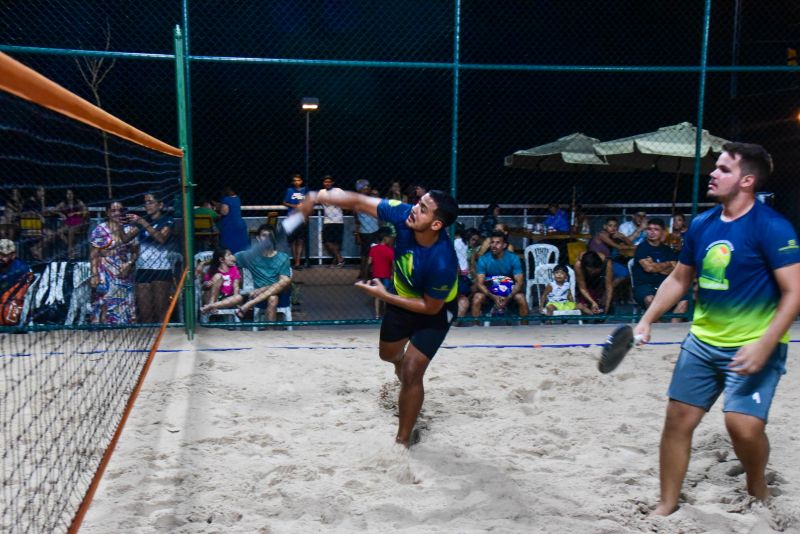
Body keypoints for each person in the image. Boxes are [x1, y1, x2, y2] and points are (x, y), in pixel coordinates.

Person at [633, 142, 800, 516]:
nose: (713, 173)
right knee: (678, 420)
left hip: (756, 343)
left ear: (747, 180)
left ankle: (756, 480)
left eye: (724, 169)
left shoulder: (772, 227)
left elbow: (795, 293)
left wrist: (764, 345)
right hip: (703, 342)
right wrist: (647, 320)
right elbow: (679, 278)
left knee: (741, 427)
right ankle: (667, 503)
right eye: (716, 167)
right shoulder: (703, 224)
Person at [298, 187, 459, 447]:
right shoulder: (404, 215)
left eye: (423, 209)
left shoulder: (442, 261)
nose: (415, 209)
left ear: (437, 224)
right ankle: (405, 376)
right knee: (388, 355)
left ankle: (403, 440)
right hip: (401, 300)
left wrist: (383, 297)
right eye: (418, 203)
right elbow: (359, 201)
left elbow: (430, 308)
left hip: (436, 311)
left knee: (412, 369)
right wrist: (316, 197)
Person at [201, 225, 292, 322]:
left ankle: (249, 304)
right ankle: (269, 332)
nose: (267, 239)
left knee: (285, 281)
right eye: (264, 236)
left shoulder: (283, 257)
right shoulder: (250, 256)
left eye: (270, 236)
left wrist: (263, 289)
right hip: (259, 294)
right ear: (258, 238)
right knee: (273, 298)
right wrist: (203, 263)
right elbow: (224, 258)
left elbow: (283, 283)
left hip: (280, 292)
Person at [126, 193, 175, 324]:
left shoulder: (167, 220)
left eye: (150, 202)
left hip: (161, 268)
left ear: (160, 205)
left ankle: (164, 341)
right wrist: (120, 224)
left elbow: (161, 238)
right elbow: (125, 239)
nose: (147, 205)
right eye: (145, 202)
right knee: (145, 313)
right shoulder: (143, 221)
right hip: (143, 268)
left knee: (161, 312)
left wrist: (142, 222)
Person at [89, 201, 138, 324]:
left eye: (120, 210)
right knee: (104, 305)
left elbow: (135, 251)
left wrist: (130, 264)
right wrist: (94, 275)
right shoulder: (101, 229)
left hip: (123, 271)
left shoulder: (129, 229)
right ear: (107, 212)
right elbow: (93, 254)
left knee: (124, 307)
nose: (117, 213)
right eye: (113, 211)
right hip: (105, 272)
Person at [631, 217, 688, 320]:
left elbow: (674, 270)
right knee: (650, 299)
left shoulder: (667, 250)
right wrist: (667, 264)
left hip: (664, 286)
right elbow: (649, 268)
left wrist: (655, 266)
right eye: (649, 229)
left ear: (662, 232)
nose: (652, 232)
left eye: (656, 229)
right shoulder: (642, 248)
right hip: (645, 286)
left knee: (684, 300)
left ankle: (672, 329)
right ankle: (658, 328)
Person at [471, 230, 528, 323]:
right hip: (490, 292)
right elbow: (480, 283)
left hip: (509, 291)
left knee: (521, 298)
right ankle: (475, 329)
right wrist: (493, 296)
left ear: (504, 245)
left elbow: (519, 282)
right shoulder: (483, 259)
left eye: (498, 243)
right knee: (477, 297)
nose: (494, 245)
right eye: (492, 242)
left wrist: (509, 296)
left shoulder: (513, 258)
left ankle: (525, 328)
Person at [353, 179, 380, 280]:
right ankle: (364, 273)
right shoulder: (357, 202)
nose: (367, 189)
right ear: (359, 190)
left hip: (375, 230)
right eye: (364, 188)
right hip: (364, 232)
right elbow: (356, 220)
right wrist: (357, 234)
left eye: (368, 187)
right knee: (365, 255)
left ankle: (367, 273)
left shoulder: (372, 199)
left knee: (371, 254)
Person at [574, 250, 614, 316]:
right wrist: (593, 302)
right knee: (585, 306)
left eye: (594, 271)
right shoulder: (578, 265)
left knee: (605, 304)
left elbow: (609, 286)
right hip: (586, 283)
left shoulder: (607, 263)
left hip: (600, 282)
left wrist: (607, 305)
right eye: (590, 271)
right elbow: (582, 287)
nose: (592, 273)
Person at [368, 227, 395, 319]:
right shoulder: (389, 250)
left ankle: (377, 314)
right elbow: (393, 264)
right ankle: (385, 313)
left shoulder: (374, 249)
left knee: (377, 295)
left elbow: (369, 261)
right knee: (386, 294)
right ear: (385, 238)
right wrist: (393, 274)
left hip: (376, 274)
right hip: (386, 275)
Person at [53, 189, 88, 260]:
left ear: (73, 194)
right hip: (69, 222)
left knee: (71, 230)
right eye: (68, 194)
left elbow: (86, 210)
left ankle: (70, 252)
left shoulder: (78, 202)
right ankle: (72, 248)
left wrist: (76, 213)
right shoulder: (64, 203)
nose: (69, 196)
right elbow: (54, 210)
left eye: (71, 194)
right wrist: (60, 214)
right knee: (59, 232)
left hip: (79, 221)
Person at [282, 174, 308, 270]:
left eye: (298, 180)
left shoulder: (305, 190)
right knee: (293, 241)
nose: (296, 182)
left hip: (301, 218)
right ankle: (295, 261)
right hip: (292, 218)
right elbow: (284, 202)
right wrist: (294, 206)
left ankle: (298, 262)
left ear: (301, 181)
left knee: (300, 241)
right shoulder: (289, 190)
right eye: (295, 180)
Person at [320, 175, 345, 267]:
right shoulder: (321, 192)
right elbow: (316, 200)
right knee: (326, 241)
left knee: (336, 243)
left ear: (332, 183)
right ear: (323, 183)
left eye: (329, 182)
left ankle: (337, 262)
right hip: (327, 220)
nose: (327, 183)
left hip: (338, 220)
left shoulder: (338, 191)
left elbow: (346, 200)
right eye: (326, 182)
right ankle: (340, 258)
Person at [217, 186, 249, 254]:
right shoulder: (237, 198)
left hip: (230, 226)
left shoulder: (226, 199)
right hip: (240, 224)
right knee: (240, 246)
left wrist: (219, 208)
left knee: (228, 246)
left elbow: (224, 212)